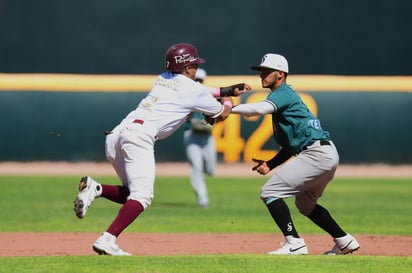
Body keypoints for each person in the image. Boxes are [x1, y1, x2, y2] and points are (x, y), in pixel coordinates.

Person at [73, 42, 250, 256]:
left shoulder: (163, 77)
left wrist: (226, 89)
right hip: (139, 137)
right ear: (186, 68)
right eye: (194, 64)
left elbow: (199, 91)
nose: (195, 68)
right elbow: (220, 114)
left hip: (117, 134)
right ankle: (107, 239)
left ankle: (96, 188)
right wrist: (228, 100)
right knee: (142, 197)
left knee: (131, 193)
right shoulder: (193, 90)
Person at [231, 53, 360, 255]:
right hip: (325, 152)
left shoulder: (282, 93)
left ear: (280, 74)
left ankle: (294, 243)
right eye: (261, 71)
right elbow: (291, 147)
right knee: (305, 204)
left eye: (267, 71)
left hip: (316, 154)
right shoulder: (284, 97)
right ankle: (345, 241)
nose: (262, 75)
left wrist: (228, 108)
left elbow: (258, 109)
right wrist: (271, 164)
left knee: (270, 192)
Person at [183, 68, 216, 208]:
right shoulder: (184, 94)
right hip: (192, 134)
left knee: (210, 168)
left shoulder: (209, 94)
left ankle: (201, 177)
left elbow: (218, 114)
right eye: (196, 80)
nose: (198, 83)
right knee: (196, 166)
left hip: (207, 135)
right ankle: (202, 198)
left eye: (200, 80)